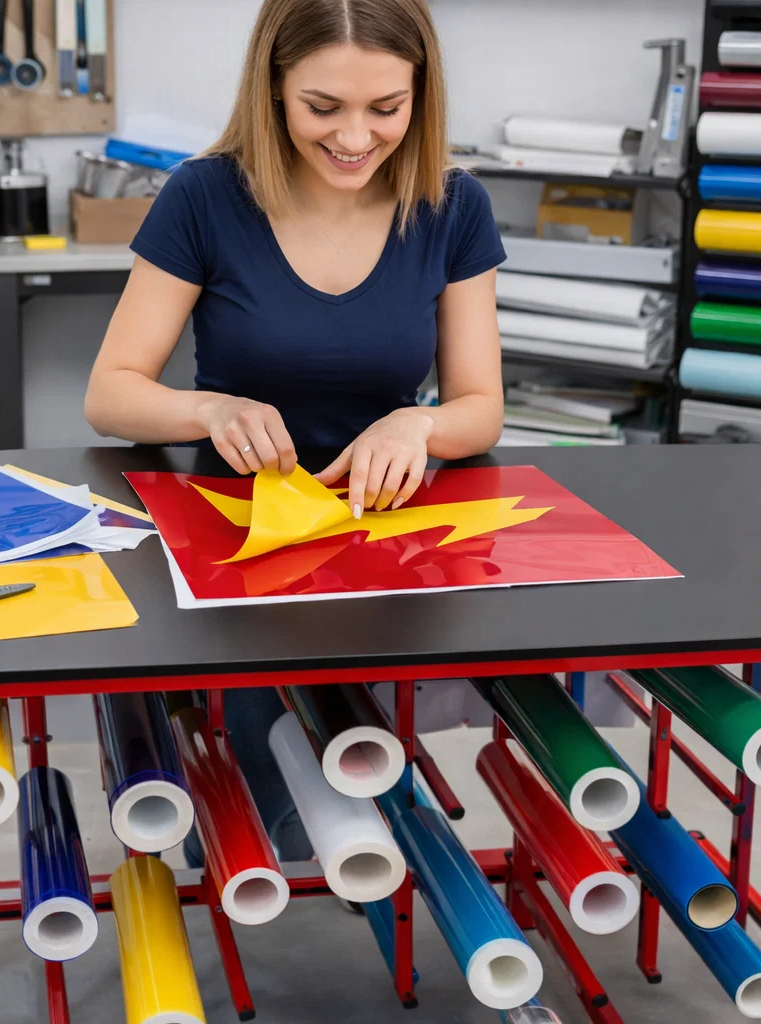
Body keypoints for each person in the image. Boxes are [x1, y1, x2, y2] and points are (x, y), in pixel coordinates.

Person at [85, 0, 505, 864]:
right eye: (324, 107)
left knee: (367, 778)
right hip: (234, 552)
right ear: (272, 88)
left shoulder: (451, 205)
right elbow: (111, 393)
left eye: (386, 109)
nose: (356, 136)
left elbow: (480, 406)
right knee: (254, 806)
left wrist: (420, 425)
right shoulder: (205, 196)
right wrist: (210, 407)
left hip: (387, 549)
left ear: (420, 97)